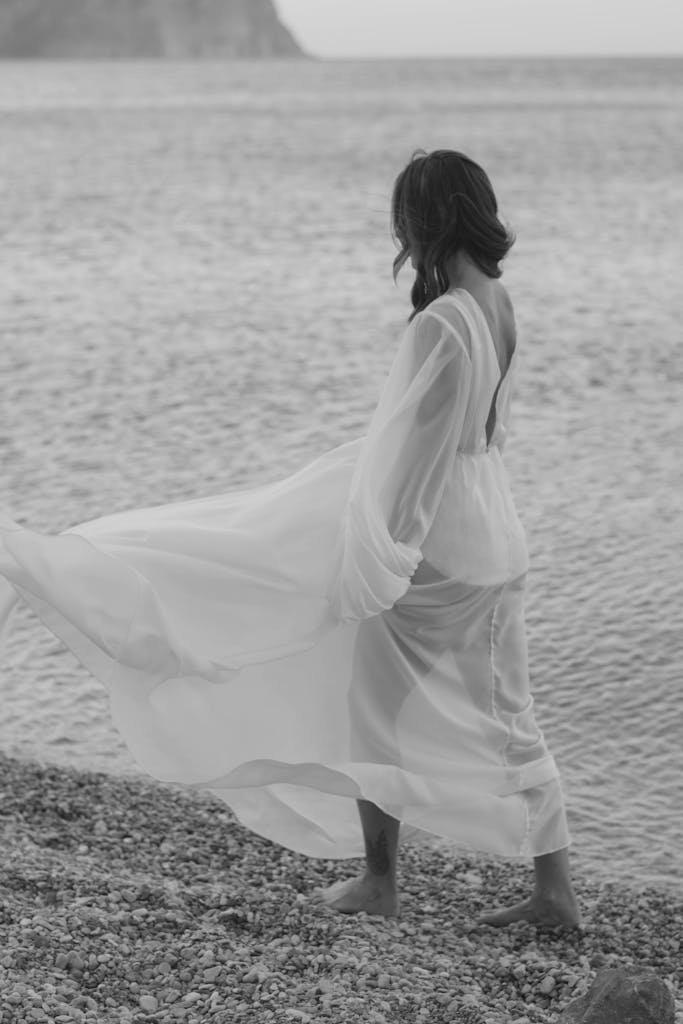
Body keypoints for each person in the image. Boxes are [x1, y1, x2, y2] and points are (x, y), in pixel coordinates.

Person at [0, 148, 580, 929]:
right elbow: (474, 439)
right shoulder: (499, 304)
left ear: (425, 220)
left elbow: (417, 466)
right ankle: (554, 894)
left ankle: (380, 882)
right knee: (512, 710)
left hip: (441, 547)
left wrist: (380, 561)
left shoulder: (442, 323)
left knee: (371, 711)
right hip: (498, 536)